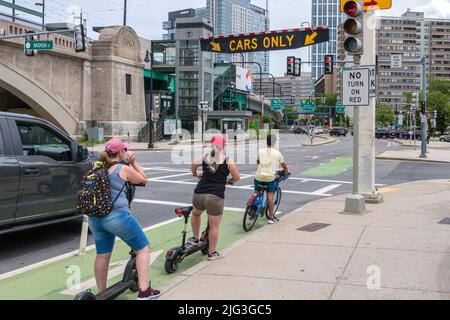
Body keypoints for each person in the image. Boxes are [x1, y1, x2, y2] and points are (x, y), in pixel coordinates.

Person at [89, 138, 160, 300]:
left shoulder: (97, 168)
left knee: (102, 255)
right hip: (117, 216)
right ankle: (144, 291)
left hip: (96, 218)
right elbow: (143, 180)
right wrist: (134, 163)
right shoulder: (122, 168)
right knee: (142, 248)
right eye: (125, 150)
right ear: (121, 152)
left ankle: (102, 293)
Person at [190, 136, 240, 261]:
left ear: (211, 145)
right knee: (214, 226)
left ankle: (195, 238)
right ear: (224, 145)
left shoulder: (204, 157)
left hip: (199, 194)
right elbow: (237, 177)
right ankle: (212, 253)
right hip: (215, 196)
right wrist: (230, 181)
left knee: (196, 214)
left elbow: (193, 166)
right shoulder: (228, 160)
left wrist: (196, 174)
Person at [254, 135, 289, 224]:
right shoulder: (277, 153)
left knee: (256, 193)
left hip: (258, 177)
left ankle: (252, 207)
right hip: (269, 179)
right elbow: (284, 166)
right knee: (270, 196)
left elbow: (257, 162)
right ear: (274, 143)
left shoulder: (260, 151)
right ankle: (270, 217)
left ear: (266, 142)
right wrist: (286, 172)